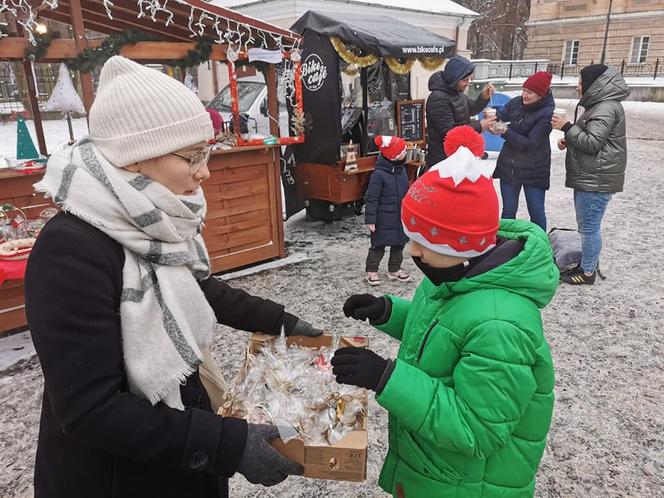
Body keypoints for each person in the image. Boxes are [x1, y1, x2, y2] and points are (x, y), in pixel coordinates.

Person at [25, 56, 317, 498]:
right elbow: (89, 409)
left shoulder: (151, 221)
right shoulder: (70, 249)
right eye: (193, 156)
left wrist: (280, 321)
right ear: (136, 157)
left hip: (177, 454)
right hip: (116, 478)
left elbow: (191, 286)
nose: (206, 171)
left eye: (208, 152)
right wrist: (228, 445)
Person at [332, 126, 558, 497]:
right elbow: (442, 331)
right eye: (412, 240)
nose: (415, 253)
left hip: (469, 483)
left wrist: (387, 378)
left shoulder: (501, 325)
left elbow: (476, 428)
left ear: (462, 244)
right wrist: (387, 311)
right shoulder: (456, 275)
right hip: (440, 470)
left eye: (424, 243)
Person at [552, 64, 629, 285]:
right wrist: (571, 139)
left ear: (593, 84)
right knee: (587, 226)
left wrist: (567, 127)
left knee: (589, 228)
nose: (578, 87)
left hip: (596, 179)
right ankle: (587, 264)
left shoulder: (605, 107)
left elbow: (592, 143)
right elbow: (591, 138)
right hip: (593, 175)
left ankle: (586, 273)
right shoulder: (600, 105)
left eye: (580, 83)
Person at [492, 71, 555, 231]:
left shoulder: (547, 114)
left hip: (534, 169)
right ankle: (505, 245)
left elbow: (530, 144)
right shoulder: (516, 102)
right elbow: (500, 115)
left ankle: (541, 246)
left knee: (536, 211)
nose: (524, 95)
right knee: (508, 210)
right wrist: (492, 120)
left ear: (541, 95)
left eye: (530, 92)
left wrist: (505, 131)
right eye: (524, 90)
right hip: (510, 167)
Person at [425, 54, 496, 168]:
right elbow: (450, 132)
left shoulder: (456, 92)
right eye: (465, 80)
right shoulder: (438, 98)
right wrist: (480, 126)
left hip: (457, 156)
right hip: (443, 160)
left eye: (469, 79)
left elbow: (472, 108)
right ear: (454, 78)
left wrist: (484, 97)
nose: (468, 83)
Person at [364, 135, 411, 286]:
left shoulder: (402, 170)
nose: (405, 153)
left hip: (400, 216)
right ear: (394, 156)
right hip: (383, 218)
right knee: (378, 245)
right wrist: (371, 219)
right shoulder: (378, 175)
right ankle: (371, 271)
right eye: (403, 151)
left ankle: (394, 269)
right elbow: (371, 198)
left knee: (399, 244)